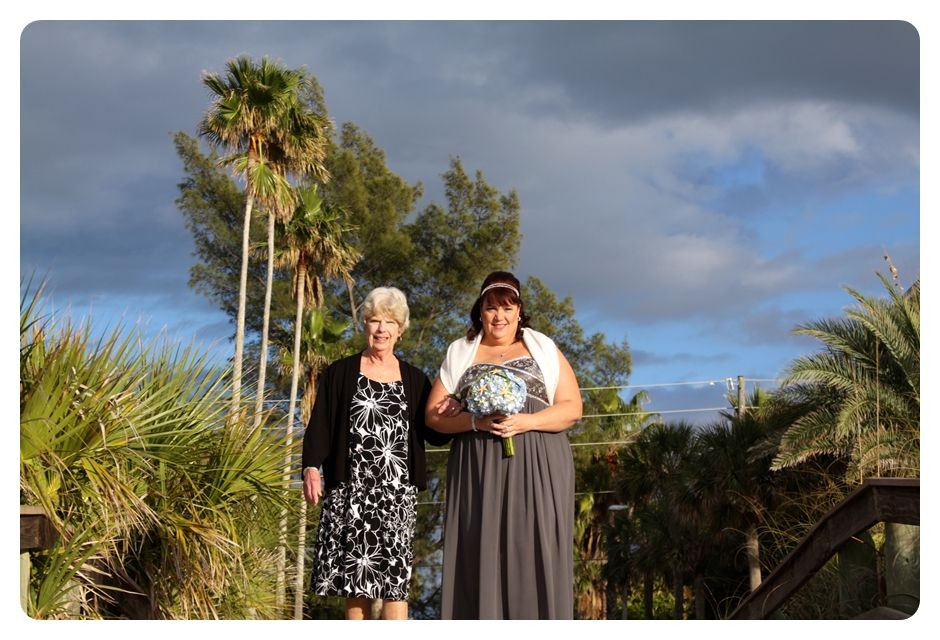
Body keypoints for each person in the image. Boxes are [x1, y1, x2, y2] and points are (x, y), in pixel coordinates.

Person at [426, 271, 583, 619]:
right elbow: (433, 416)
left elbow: (572, 408)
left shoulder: (543, 348)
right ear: (480, 311)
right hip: (477, 466)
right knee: (479, 548)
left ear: (519, 311)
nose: (499, 316)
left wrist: (528, 421)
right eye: (491, 308)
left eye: (507, 308)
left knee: (533, 546)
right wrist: (474, 421)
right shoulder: (461, 352)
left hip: (539, 463)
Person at [302, 287, 455, 620]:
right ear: (365, 325)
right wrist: (311, 467)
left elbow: (434, 433)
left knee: (394, 584)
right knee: (356, 583)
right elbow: (321, 425)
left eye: (390, 322)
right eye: (374, 320)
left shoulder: (415, 380)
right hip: (351, 492)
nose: (381, 329)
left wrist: (453, 411)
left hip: (397, 497)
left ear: (400, 330)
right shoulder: (340, 373)